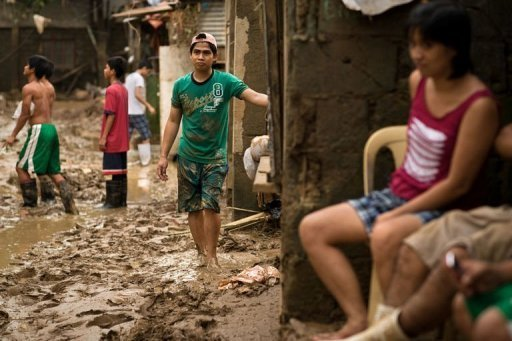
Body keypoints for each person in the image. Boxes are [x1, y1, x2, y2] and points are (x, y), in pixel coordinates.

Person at [298, 2, 499, 339]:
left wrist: (397, 215)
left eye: (427, 45)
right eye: (413, 44)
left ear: (453, 47)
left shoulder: (478, 105)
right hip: (399, 194)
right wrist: (394, 206)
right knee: (312, 229)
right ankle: (359, 320)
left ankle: (387, 330)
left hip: (444, 208)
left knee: (386, 235)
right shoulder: (419, 81)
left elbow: (458, 185)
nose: (417, 54)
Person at [157, 32, 268, 268]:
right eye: (196, 52)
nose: (201, 56)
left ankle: (212, 256)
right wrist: (163, 155)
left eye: (206, 52)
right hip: (187, 156)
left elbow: (254, 96)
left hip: (215, 157)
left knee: (211, 205)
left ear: (215, 56)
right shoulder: (181, 86)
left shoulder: (225, 82)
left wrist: (280, 100)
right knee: (193, 208)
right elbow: (173, 121)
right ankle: (200, 252)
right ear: (190, 55)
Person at [3, 55, 78, 214]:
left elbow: (24, 114)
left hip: (38, 130)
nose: (24, 67)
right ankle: (71, 207)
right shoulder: (50, 87)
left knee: (21, 167)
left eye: (27, 65)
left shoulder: (29, 88)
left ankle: (30, 206)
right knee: (53, 171)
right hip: (51, 129)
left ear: (32, 69)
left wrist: (13, 135)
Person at [100, 56, 129, 208]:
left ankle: (111, 203)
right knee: (121, 172)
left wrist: (103, 137)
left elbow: (110, 114)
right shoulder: (123, 89)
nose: (104, 70)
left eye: (106, 68)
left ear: (112, 71)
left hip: (113, 137)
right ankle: (121, 202)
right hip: (123, 138)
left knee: (112, 172)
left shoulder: (111, 90)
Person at [124, 59, 156, 166]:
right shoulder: (139, 78)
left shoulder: (129, 77)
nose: (147, 74)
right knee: (146, 136)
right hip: (137, 112)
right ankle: (145, 161)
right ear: (144, 68)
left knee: (127, 137)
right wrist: (149, 106)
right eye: (148, 71)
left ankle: (126, 161)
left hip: (127, 112)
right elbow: (137, 94)